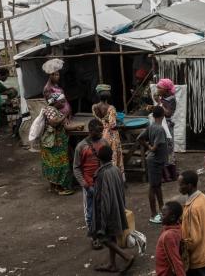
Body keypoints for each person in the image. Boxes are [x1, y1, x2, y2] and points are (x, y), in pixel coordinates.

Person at [92, 145, 134, 273]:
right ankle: (112, 264)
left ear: (99, 158)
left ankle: (126, 256)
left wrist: (102, 220)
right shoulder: (116, 169)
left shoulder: (102, 174)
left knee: (103, 237)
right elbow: (121, 190)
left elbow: (103, 199)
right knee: (112, 237)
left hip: (107, 211)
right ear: (111, 156)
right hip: (117, 207)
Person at [72, 119, 108, 250]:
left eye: (101, 131)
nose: (101, 134)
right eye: (98, 131)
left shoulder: (104, 142)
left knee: (103, 209)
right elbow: (76, 168)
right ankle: (94, 237)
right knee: (91, 212)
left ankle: (103, 232)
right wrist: (85, 185)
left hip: (103, 183)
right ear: (90, 131)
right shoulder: (81, 147)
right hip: (89, 185)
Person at [179, 169, 205, 276]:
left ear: (189, 186)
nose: (179, 188)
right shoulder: (203, 198)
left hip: (196, 257)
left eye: (181, 185)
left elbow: (193, 240)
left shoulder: (192, 208)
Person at [139, 106, 168, 224]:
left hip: (155, 160)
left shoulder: (151, 126)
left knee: (157, 185)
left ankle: (162, 209)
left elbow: (139, 138)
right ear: (162, 115)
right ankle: (153, 214)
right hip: (155, 160)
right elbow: (155, 147)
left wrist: (147, 146)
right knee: (153, 186)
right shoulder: (160, 129)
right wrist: (151, 148)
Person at [40, 92, 73, 194]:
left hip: (57, 144)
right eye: (62, 101)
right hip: (53, 144)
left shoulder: (55, 110)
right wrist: (65, 116)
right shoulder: (50, 109)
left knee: (55, 164)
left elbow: (64, 126)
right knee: (58, 164)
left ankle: (54, 186)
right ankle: (60, 188)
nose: (64, 103)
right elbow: (53, 123)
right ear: (55, 102)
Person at [92, 84, 123, 175]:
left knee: (103, 156)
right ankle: (114, 175)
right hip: (111, 134)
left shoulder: (94, 107)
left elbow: (99, 120)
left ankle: (103, 173)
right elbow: (112, 125)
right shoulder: (111, 108)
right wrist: (119, 123)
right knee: (113, 155)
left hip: (101, 133)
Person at [155, 201, 186, 276]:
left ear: (172, 217)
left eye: (163, 215)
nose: (161, 217)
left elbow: (176, 260)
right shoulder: (177, 227)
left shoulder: (169, 235)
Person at [155, 78, 177, 181]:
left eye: (159, 87)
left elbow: (168, 113)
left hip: (167, 125)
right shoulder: (163, 97)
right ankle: (165, 175)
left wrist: (160, 103)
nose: (157, 88)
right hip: (162, 124)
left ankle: (170, 174)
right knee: (162, 147)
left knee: (168, 148)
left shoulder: (171, 99)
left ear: (166, 89)